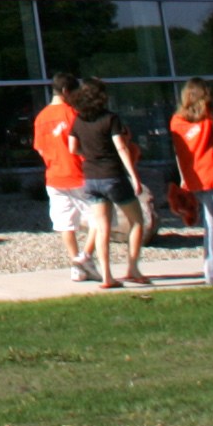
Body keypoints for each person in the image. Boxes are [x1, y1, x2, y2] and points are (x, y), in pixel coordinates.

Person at [67, 77, 149, 288]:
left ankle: (107, 276)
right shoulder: (111, 119)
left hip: (91, 178)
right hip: (112, 175)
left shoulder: (78, 121)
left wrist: (89, 153)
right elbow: (121, 147)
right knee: (137, 221)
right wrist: (134, 176)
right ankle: (132, 268)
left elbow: (72, 148)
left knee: (101, 227)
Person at [170, 79, 213, 284]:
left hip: (194, 178)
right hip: (212, 175)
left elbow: (179, 151)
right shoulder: (210, 119)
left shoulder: (176, 121)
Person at [32, 73, 97, 281]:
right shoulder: (74, 113)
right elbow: (84, 145)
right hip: (79, 173)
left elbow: (40, 149)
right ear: (67, 92)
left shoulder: (41, 117)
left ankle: (76, 263)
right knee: (99, 219)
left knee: (65, 223)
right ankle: (85, 257)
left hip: (54, 176)